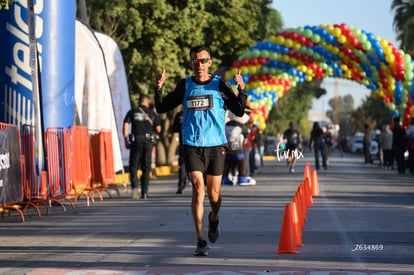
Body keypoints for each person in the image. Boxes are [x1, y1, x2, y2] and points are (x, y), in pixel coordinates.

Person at [154, 45, 246, 256]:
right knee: (198, 189)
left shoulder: (219, 84)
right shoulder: (185, 85)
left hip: (215, 146)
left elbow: (239, 110)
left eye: (203, 61)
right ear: (191, 64)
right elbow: (161, 107)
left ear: (209, 63)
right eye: (195, 61)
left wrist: (241, 90)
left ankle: (213, 218)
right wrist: (158, 89)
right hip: (192, 145)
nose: (199, 65)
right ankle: (201, 240)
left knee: (214, 195)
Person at [123, 95, 161, 200]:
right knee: (146, 167)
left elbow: (125, 125)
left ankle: (135, 191)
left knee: (134, 166)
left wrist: (126, 139)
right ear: (147, 103)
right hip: (148, 142)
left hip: (136, 142)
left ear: (139, 102)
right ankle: (145, 192)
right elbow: (158, 129)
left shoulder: (132, 112)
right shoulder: (152, 113)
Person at [222, 110, 255, 186]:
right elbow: (247, 133)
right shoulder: (242, 127)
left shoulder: (226, 126)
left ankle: (224, 178)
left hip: (228, 150)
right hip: (238, 150)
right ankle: (241, 177)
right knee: (241, 162)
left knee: (227, 163)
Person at [172, 109, 189, 194]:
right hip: (197, 143)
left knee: (183, 166)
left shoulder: (179, 114)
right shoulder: (194, 111)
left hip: (184, 143)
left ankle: (181, 186)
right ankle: (203, 185)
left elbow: (175, 129)